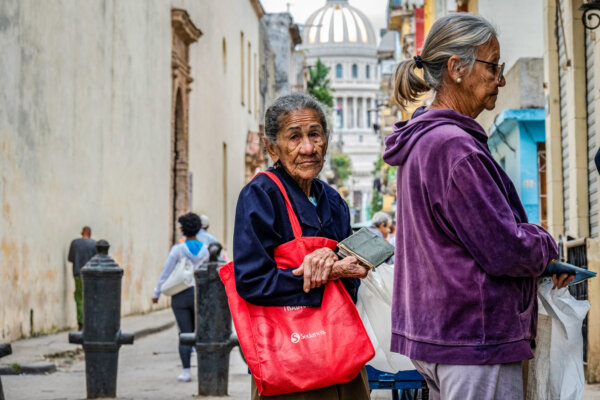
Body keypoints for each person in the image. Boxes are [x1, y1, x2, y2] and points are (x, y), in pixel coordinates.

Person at [383, 13, 574, 400]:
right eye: (493, 66)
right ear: (456, 68)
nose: (500, 79)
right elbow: (504, 248)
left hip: (443, 337)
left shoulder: (425, 142)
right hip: (472, 339)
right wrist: (545, 245)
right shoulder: (454, 147)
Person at [233, 93, 371, 400]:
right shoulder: (261, 195)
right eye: (294, 137)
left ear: (326, 139)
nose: (307, 148)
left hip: (340, 353)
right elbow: (252, 281)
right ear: (272, 147)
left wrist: (337, 261)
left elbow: (353, 277)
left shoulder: (333, 200)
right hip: (289, 361)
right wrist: (325, 273)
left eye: (314, 135)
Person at [152, 213, 209, 382]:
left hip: (181, 295)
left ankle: (186, 371)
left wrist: (157, 292)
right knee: (203, 333)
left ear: (182, 229)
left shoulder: (178, 249)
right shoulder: (206, 249)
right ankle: (205, 368)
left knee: (184, 332)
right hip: (201, 294)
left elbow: (166, 271)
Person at [68, 226, 96, 330]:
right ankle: (90, 322)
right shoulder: (93, 244)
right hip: (90, 276)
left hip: (78, 274)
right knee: (90, 298)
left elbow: (70, 258)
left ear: (81, 233)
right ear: (90, 234)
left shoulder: (75, 243)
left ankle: (81, 323)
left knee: (79, 298)